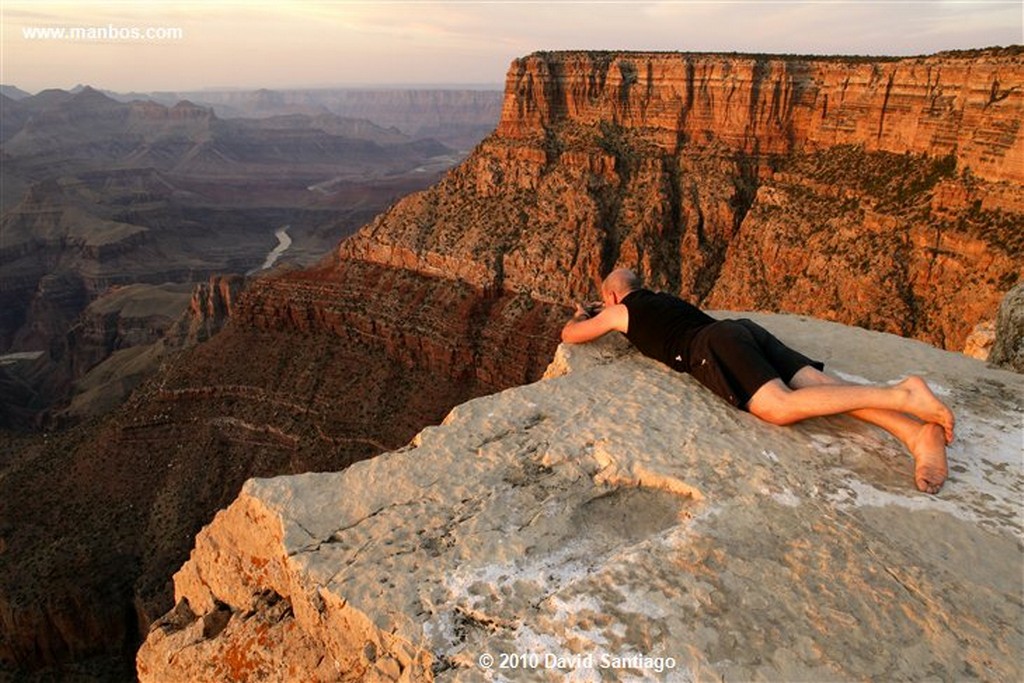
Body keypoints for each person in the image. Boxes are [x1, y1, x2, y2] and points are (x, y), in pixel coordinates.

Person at [561, 268, 954, 494]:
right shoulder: (664, 299)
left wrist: (583, 315)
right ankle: (917, 436)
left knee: (778, 408)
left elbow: (570, 335)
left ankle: (902, 394)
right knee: (818, 387)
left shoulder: (618, 312)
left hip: (711, 346)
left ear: (612, 298)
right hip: (741, 331)